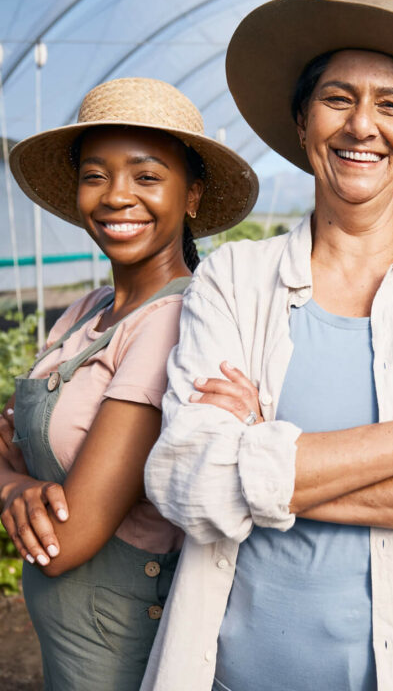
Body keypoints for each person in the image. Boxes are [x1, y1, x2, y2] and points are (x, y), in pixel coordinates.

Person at [141, 0, 393, 691]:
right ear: (303, 124)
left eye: (391, 106)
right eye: (337, 99)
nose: (362, 125)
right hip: (248, 672)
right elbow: (186, 483)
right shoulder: (234, 280)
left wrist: (263, 457)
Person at [0, 77, 257, 691]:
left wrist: (8, 486)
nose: (118, 196)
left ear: (191, 195)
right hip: (69, 635)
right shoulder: (88, 311)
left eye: (146, 177)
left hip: (117, 638)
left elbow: (65, 541)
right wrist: (11, 485)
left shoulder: (173, 319)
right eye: (96, 175)